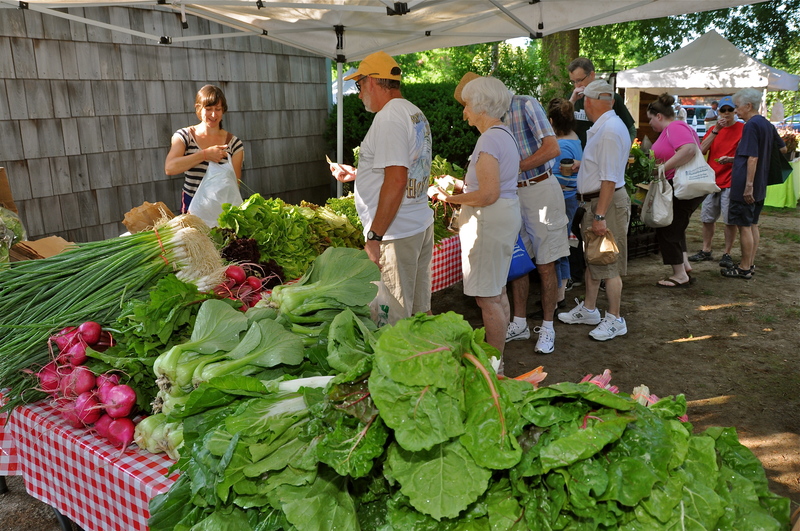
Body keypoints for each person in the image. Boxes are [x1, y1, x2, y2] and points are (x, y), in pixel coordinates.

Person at [455, 73, 568, 355]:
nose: (465, 110)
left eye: (468, 102)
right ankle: (518, 322)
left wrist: (512, 168)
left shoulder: (526, 104)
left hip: (538, 189)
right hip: (511, 195)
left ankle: (548, 326)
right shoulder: (495, 129)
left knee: (545, 263)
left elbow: (552, 148)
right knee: (517, 262)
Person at [328, 51, 434, 319]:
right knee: (420, 315)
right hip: (417, 224)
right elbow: (402, 168)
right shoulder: (413, 111)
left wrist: (375, 236)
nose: (360, 92)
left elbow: (397, 180)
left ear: (373, 81)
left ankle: (405, 362)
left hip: (396, 235)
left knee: (394, 322)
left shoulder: (388, 117)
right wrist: (358, 174)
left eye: (359, 84)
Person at [434, 76, 521, 357]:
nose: (464, 111)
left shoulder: (489, 139)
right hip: (501, 217)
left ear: (482, 106)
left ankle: (494, 365)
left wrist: (449, 198)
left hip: (489, 221)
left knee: (488, 297)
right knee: (496, 292)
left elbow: (487, 194)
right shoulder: (503, 134)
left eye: (468, 104)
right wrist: (460, 185)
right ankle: (499, 359)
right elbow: (494, 185)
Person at [558, 80, 630, 341]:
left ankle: (615, 318)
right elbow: (604, 168)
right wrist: (583, 165)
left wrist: (599, 215)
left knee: (607, 262)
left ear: (588, 102)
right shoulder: (609, 126)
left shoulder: (609, 130)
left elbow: (610, 179)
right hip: (599, 201)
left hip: (604, 203)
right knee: (594, 259)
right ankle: (590, 310)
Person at [721, 88, 787, 280]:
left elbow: (752, 157)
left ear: (748, 106)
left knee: (744, 226)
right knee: (753, 224)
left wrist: (748, 185)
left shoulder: (750, 125)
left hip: (746, 184)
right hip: (761, 183)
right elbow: (782, 149)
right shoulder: (766, 124)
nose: (736, 110)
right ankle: (749, 263)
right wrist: (735, 160)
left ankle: (743, 268)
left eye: (737, 107)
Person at [646, 93, 706, 288]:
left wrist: (663, 167)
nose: (650, 124)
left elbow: (689, 149)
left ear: (659, 116)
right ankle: (684, 266)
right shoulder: (677, 128)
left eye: (650, 119)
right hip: (679, 184)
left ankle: (679, 274)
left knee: (668, 227)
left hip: (680, 184)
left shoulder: (675, 127)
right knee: (676, 225)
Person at [165, 85, 245, 213]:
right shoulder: (184, 136)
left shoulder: (234, 144)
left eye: (218, 109)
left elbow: (234, 185)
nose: (213, 114)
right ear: (198, 109)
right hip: (191, 208)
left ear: (223, 110)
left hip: (221, 208)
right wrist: (204, 155)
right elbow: (170, 168)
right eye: (208, 109)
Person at [688, 96, 743, 269]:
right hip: (712, 180)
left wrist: (731, 160)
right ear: (718, 111)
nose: (726, 114)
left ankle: (727, 253)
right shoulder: (713, 129)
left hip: (731, 180)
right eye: (723, 110)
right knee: (707, 217)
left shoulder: (743, 128)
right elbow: (702, 150)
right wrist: (716, 130)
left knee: (729, 220)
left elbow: (746, 156)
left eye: (730, 110)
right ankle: (706, 249)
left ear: (735, 111)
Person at [547, 98, 583, 303]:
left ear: (551, 121)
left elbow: (562, 183)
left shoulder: (561, 147)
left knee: (557, 248)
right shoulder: (575, 138)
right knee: (562, 245)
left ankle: (558, 294)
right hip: (571, 201)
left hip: (562, 201)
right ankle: (560, 290)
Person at [568, 57, 636, 147]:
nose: (577, 85)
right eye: (573, 82)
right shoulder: (572, 97)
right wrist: (572, 101)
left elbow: (631, 130)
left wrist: (623, 151)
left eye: (579, 80)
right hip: (578, 156)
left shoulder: (609, 97)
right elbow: (560, 127)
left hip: (602, 155)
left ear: (592, 75)